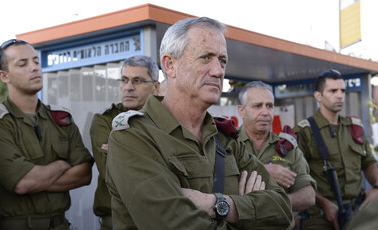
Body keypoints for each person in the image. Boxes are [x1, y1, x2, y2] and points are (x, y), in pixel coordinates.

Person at [105, 17, 293, 229]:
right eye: (206, 57)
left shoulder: (225, 140)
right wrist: (247, 214)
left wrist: (220, 204)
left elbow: (283, 211)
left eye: (222, 60)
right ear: (170, 65)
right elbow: (174, 224)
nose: (219, 71)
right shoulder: (133, 137)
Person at [0, 39, 93, 230]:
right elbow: (22, 183)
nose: (34, 68)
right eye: (23, 64)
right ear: (4, 76)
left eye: (36, 62)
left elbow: (84, 174)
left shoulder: (61, 119)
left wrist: (36, 179)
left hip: (60, 224)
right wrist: (61, 165)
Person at [293, 69, 378, 230]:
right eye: (333, 91)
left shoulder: (354, 127)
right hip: (320, 215)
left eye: (342, 91)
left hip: (357, 210)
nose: (340, 95)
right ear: (318, 96)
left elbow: (369, 162)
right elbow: (296, 177)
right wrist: (324, 203)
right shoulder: (304, 130)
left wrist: (376, 188)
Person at [90, 55, 160, 230]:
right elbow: (112, 175)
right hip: (116, 222)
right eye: (124, 80)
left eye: (137, 81)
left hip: (160, 220)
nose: (128, 87)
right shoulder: (105, 120)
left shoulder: (167, 118)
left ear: (155, 87)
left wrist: (125, 151)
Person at [237, 81, 316, 214]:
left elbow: (308, 196)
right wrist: (264, 171)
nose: (265, 112)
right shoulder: (227, 143)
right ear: (241, 111)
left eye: (269, 106)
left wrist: (273, 204)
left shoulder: (288, 147)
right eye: (257, 106)